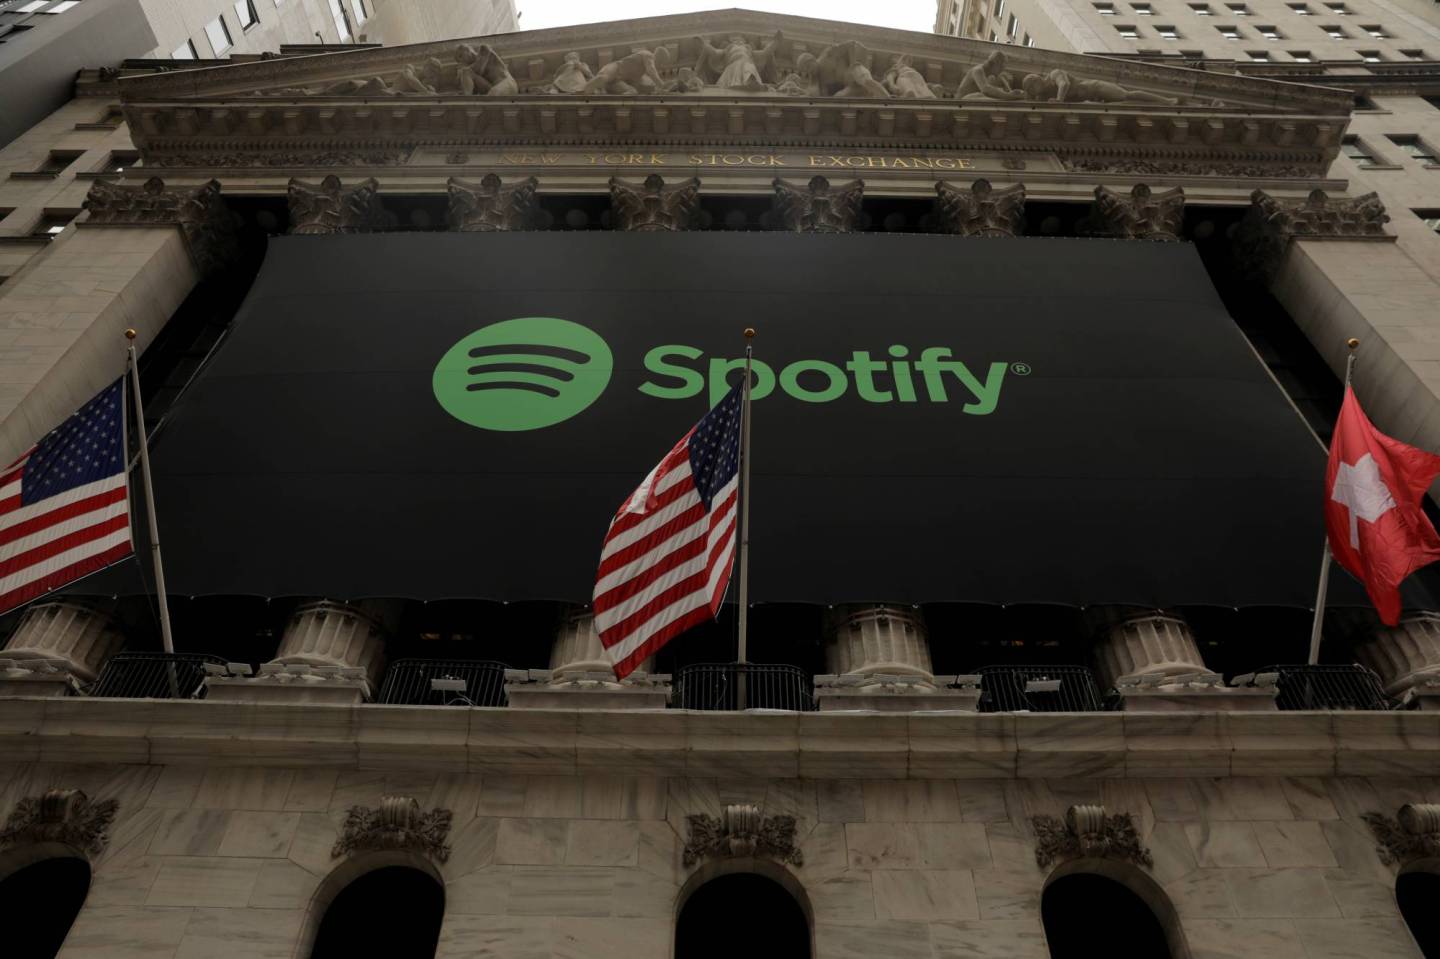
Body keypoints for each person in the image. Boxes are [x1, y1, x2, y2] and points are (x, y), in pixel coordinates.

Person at [1020, 68, 1179, 105]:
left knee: (1126, 96)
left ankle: (1167, 101)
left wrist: (1059, 100)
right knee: (1125, 102)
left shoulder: (1054, 74)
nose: (1033, 92)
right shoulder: (1045, 95)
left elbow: (1065, 84)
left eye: (1031, 89)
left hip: (1095, 88)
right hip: (1091, 100)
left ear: (1036, 81)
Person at [695, 32, 782, 90]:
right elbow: (714, 52)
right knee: (744, 68)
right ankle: (746, 82)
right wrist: (703, 44)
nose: (738, 41)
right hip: (733, 66)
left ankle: (750, 81)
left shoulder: (748, 49)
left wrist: (776, 42)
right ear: (731, 42)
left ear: (744, 42)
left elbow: (764, 53)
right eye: (735, 40)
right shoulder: (728, 49)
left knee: (748, 67)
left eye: (740, 40)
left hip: (746, 63)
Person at [956, 52, 1025, 100]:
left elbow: (991, 90)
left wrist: (1010, 93)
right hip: (963, 101)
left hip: (970, 102)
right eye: (1001, 67)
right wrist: (1008, 96)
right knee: (981, 96)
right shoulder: (978, 70)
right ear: (994, 64)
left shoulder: (989, 75)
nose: (1002, 70)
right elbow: (986, 89)